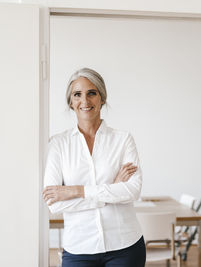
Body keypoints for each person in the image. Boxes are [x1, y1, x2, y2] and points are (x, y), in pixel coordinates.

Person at [42, 67, 146, 267]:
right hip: (79, 249)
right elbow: (54, 203)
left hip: (125, 246)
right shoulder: (58, 144)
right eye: (77, 94)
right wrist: (112, 190)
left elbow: (132, 191)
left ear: (102, 98)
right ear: (71, 102)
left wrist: (76, 191)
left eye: (92, 93)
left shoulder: (123, 140)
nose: (85, 101)